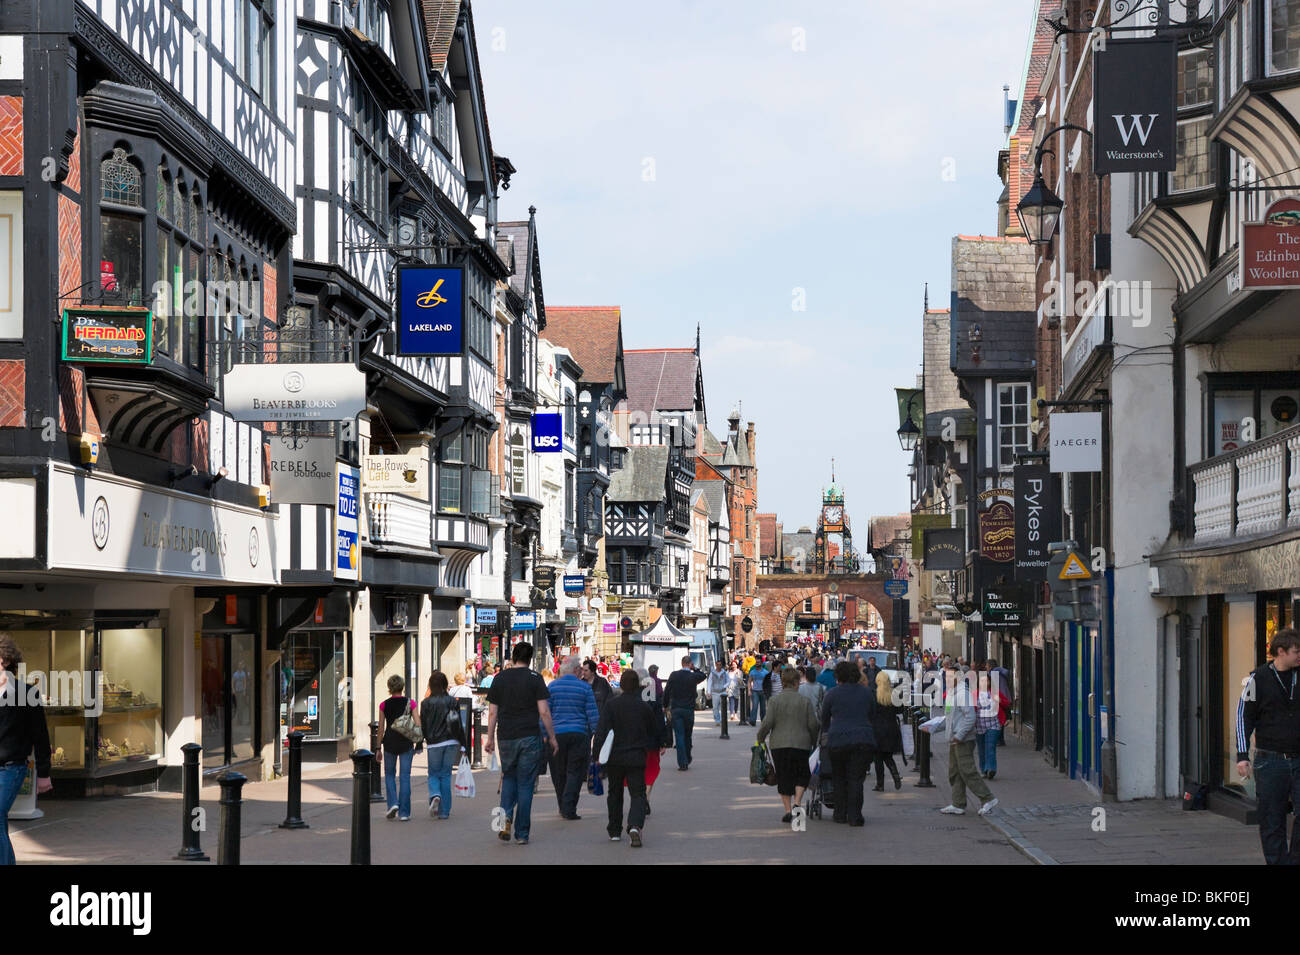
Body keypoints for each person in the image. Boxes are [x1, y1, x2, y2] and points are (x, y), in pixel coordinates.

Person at [1236, 628, 1300, 864]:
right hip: (1270, 761)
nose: (1299, 655)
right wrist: (1242, 756)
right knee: (1272, 819)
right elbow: (1243, 717)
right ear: (1280, 652)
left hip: (1298, 757)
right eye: (1296, 651)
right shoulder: (1256, 679)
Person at [485, 643, 558, 846]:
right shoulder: (535, 679)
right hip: (530, 736)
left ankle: (504, 820)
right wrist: (552, 737)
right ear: (530, 658)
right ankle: (522, 834)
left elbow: (492, 712)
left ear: (514, 656)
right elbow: (544, 711)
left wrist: (490, 738)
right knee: (526, 783)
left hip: (506, 736)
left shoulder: (499, 678)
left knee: (508, 777)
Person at [595, 669, 663, 847]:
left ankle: (615, 830)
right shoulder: (643, 706)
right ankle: (634, 825)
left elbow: (601, 731)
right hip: (636, 755)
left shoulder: (611, 705)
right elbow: (653, 730)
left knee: (615, 793)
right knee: (638, 793)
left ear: (622, 685)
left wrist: (596, 755)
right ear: (638, 685)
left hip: (615, 757)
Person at [0, 634, 52, 865]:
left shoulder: (26, 693)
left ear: (5, 659)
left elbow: (40, 736)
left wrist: (43, 774)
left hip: (11, 769)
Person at [756, 667, 820, 823]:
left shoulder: (774, 701)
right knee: (801, 775)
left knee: (784, 776)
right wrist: (813, 741)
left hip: (779, 745)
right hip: (801, 744)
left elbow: (767, 723)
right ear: (797, 683)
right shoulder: (804, 702)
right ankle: (797, 803)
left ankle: (787, 810)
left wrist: (760, 738)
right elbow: (813, 724)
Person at [819, 661, 877, 827]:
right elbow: (872, 716)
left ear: (838, 676)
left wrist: (826, 734)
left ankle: (840, 813)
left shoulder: (832, 694)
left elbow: (824, 719)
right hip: (862, 740)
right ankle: (855, 815)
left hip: (838, 740)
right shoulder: (867, 693)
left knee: (839, 777)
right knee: (856, 779)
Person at [938, 664, 998, 816]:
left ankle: (987, 798)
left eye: (951, 677)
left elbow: (970, 717)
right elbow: (949, 718)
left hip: (963, 740)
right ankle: (958, 803)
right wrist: (933, 727)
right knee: (955, 772)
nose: (948, 679)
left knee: (967, 770)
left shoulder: (962, 694)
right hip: (955, 739)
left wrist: (959, 735)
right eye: (946, 677)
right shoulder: (952, 694)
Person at [547, 655, 600, 821]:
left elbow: (545, 713)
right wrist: (597, 733)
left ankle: (562, 805)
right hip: (579, 734)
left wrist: (544, 734)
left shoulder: (552, 687)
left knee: (558, 772)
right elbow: (592, 714)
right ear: (576, 670)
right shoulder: (584, 688)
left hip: (557, 736)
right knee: (575, 772)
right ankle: (569, 807)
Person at [420, 671, 466, 820]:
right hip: (451, 741)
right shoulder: (453, 701)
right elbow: (458, 723)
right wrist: (463, 744)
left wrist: (420, 741)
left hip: (434, 743)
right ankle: (444, 812)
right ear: (445, 684)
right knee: (446, 775)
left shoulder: (425, 703)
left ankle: (435, 794)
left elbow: (423, 725)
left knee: (433, 773)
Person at [378, 674, 418, 821]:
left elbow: (381, 728)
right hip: (406, 742)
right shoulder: (410, 703)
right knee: (405, 776)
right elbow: (418, 723)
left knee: (389, 775)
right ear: (402, 687)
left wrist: (377, 748)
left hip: (389, 742)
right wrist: (419, 742)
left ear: (389, 688)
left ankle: (392, 803)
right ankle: (405, 813)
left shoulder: (383, 705)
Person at [663, 655, 707, 771]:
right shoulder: (693, 676)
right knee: (688, 734)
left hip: (676, 709)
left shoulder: (674, 675)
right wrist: (695, 668)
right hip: (688, 709)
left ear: (682, 663)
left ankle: (683, 762)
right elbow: (703, 675)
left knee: (679, 735)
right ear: (690, 664)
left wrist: (665, 704)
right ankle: (687, 756)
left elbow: (667, 690)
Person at [870, 670, 904, 791]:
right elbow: (900, 710)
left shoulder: (874, 695)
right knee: (888, 756)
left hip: (877, 730)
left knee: (878, 758)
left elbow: (870, 712)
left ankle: (880, 784)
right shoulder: (894, 694)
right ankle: (895, 775)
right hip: (891, 728)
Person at [975, 662, 1009, 779]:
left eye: (987, 681)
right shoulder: (975, 694)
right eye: (982, 681)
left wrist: (999, 700)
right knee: (981, 749)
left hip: (993, 724)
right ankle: (984, 769)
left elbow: (1006, 703)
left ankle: (991, 769)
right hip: (979, 725)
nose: (985, 683)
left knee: (990, 747)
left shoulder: (994, 692)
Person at [707, 660, 731, 725]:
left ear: (721, 665)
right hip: (715, 692)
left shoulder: (724, 673)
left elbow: (728, 681)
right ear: (716, 665)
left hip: (723, 692)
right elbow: (709, 682)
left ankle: (723, 719)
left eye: (720, 664)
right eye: (717, 665)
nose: (718, 666)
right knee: (715, 707)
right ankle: (717, 720)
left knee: (723, 707)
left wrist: (724, 686)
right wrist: (708, 692)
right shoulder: (712, 673)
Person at [748, 658, 770, 725]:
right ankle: (752, 721)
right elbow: (749, 681)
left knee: (763, 707)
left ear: (761, 663)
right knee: (754, 706)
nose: (757, 664)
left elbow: (768, 682)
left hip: (763, 691)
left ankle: (763, 721)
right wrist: (749, 690)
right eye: (756, 662)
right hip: (755, 691)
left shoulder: (765, 672)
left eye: (758, 662)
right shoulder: (752, 672)